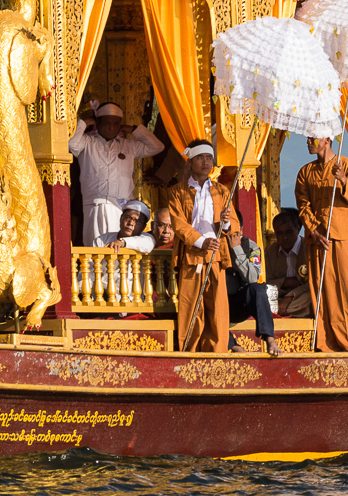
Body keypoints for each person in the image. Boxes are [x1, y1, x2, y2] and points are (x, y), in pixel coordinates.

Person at [295, 131, 348, 351]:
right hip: (317, 238)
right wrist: (314, 231)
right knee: (321, 288)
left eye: (313, 138)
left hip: (339, 234)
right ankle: (326, 340)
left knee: (347, 287)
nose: (308, 142)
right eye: (308, 138)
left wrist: (343, 180)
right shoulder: (305, 172)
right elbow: (303, 206)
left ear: (327, 140)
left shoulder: (346, 165)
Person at [164, 140, 237, 353]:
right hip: (192, 254)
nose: (206, 162)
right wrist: (200, 240)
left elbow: (232, 224)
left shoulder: (222, 191)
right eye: (201, 158)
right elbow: (179, 224)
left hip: (216, 253)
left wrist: (225, 222)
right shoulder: (178, 191)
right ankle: (190, 350)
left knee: (217, 307)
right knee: (191, 307)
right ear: (191, 161)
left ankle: (217, 350)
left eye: (209, 158)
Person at [68, 102, 165, 247]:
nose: (111, 127)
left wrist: (133, 129)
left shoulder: (128, 146)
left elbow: (157, 146)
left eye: (116, 123)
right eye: (107, 123)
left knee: (120, 249)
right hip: (95, 207)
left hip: (122, 210)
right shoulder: (87, 143)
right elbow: (72, 144)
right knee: (96, 250)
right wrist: (85, 122)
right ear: (98, 122)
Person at [269, 208, 312, 317]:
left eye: (289, 232)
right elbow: (266, 282)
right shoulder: (269, 252)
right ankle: (279, 309)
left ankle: (278, 311)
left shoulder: (309, 249)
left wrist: (291, 296)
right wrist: (285, 282)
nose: (285, 237)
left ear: (297, 229)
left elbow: (314, 282)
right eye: (280, 233)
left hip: (301, 296)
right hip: (277, 297)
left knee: (314, 299)